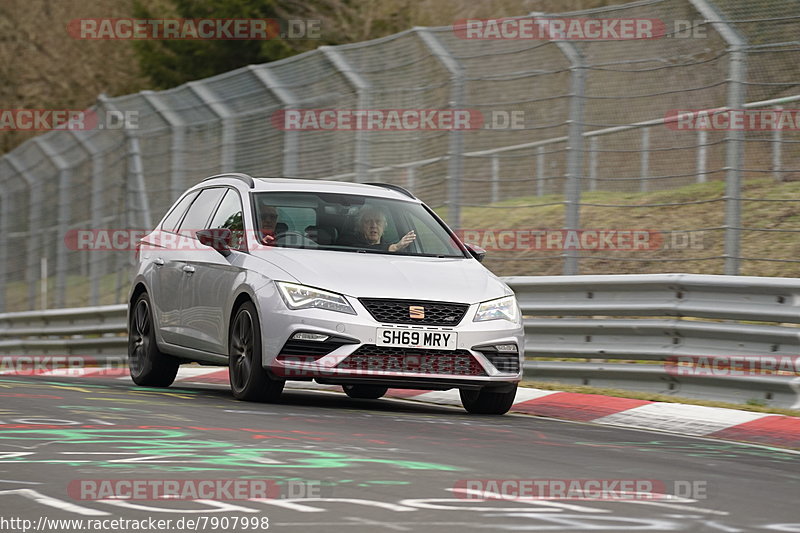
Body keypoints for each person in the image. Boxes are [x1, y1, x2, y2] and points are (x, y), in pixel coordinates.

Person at [340, 206, 416, 252]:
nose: (373, 225)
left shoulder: (391, 246)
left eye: (378, 221)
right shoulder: (348, 243)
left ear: (384, 225)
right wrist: (394, 247)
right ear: (360, 226)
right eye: (368, 221)